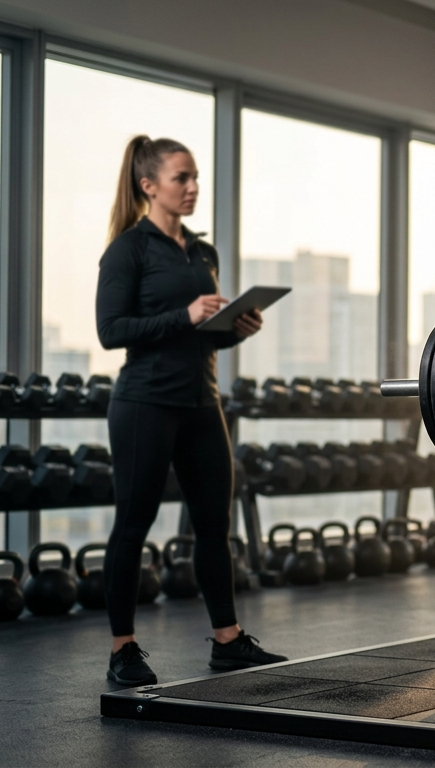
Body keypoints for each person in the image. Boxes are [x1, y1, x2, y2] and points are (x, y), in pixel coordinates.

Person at [96, 135, 286, 686]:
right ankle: (122, 649)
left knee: (213, 525)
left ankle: (227, 641)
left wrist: (235, 329)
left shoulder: (204, 253)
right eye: (181, 178)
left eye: (195, 176)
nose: (192, 187)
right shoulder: (128, 250)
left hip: (202, 402)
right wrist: (184, 314)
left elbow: (205, 337)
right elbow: (111, 331)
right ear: (148, 185)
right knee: (133, 525)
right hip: (144, 403)